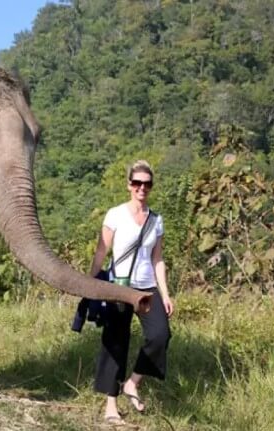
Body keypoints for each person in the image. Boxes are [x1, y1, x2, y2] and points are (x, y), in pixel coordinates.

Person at [89, 160, 174, 425]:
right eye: (137, 183)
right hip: (119, 286)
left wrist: (166, 293)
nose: (142, 188)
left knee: (160, 334)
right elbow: (101, 252)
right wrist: (90, 284)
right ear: (129, 185)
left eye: (147, 184)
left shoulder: (156, 220)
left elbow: (158, 259)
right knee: (116, 341)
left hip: (147, 287)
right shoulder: (115, 214)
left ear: (151, 187)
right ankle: (111, 405)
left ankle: (133, 382)